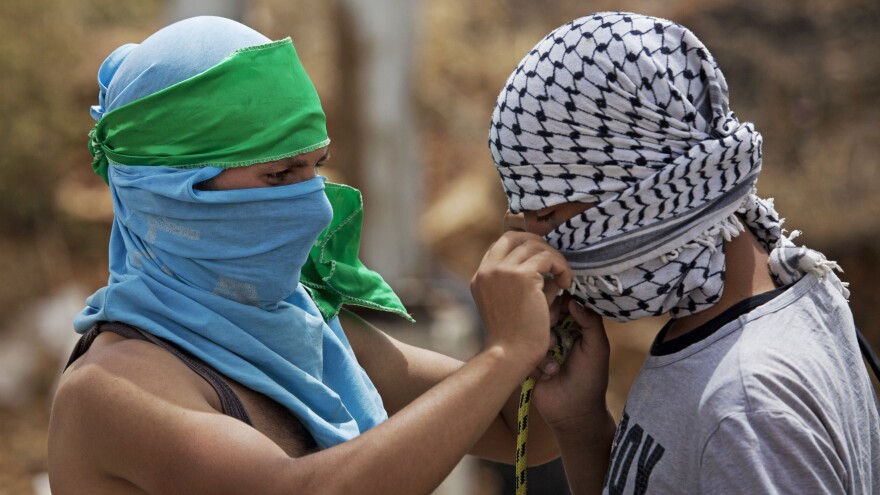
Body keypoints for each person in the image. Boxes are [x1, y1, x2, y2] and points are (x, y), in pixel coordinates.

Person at [47, 16, 577, 494]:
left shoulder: (299, 332)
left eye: (315, 167)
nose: (313, 204)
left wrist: (551, 332)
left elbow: (514, 428)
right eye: (278, 175)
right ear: (165, 192)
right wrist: (503, 354)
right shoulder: (113, 389)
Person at [488, 11, 880, 494]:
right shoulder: (758, 309)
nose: (539, 249)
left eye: (544, 217)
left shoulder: (747, 410)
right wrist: (582, 425)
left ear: (643, 191)